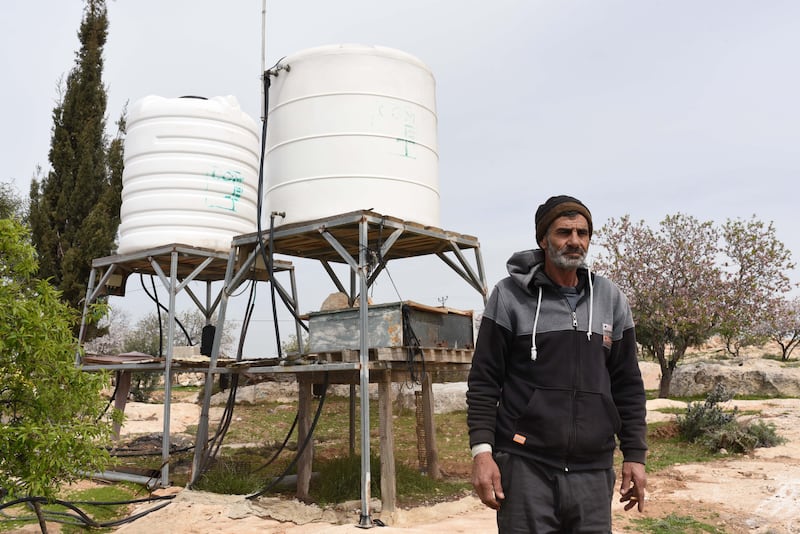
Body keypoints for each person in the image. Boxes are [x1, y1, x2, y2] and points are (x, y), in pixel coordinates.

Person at [466, 195, 647, 533]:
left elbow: (628, 385)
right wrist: (482, 452)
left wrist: (635, 455)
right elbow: (484, 380)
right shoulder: (509, 297)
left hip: (593, 471)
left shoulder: (610, 298)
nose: (575, 241)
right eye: (564, 232)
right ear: (542, 239)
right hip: (525, 467)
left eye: (583, 233)